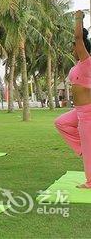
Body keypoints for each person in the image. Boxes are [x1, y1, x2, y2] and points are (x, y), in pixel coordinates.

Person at [55, 10, 91, 189]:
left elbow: (78, 38)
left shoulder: (88, 62)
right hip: (79, 111)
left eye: (75, 46)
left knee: (89, 148)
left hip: (88, 113)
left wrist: (78, 19)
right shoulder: (78, 65)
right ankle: (83, 148)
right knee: (60, 122)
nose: (73, 49)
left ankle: (90, 182)